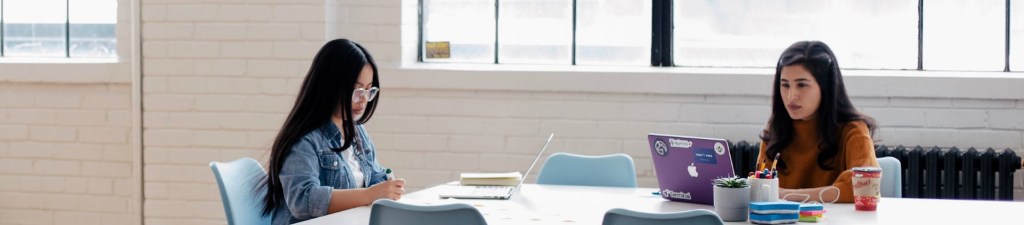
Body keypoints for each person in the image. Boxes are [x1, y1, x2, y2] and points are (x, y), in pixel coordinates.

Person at [259, 39, 405, 225]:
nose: (363, 99)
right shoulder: (304, 140)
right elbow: (302, 200)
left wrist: (387, 186)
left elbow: (374, 177)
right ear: (330, 86)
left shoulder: (358, 132)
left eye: (369, 90)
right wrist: (369, 195)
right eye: (356, 90)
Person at [757, 41, 879, 203]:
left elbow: (865, 188)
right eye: (785, 85)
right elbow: (761, 187)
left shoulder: (854, 130)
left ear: (825, 87)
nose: (791, 95)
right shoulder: (775, 129)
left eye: (802, 85)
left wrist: (785, 195)